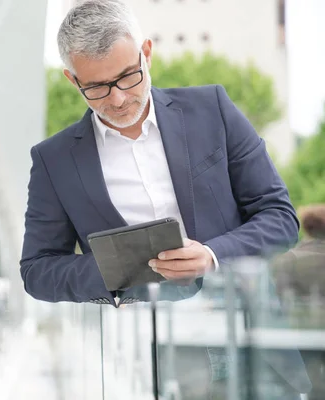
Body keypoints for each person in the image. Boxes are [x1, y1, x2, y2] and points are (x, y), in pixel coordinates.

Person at [20, 0, 299, 307]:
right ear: (73, 80)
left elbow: (280, 218)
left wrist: (212, 255)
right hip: (136, 340)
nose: (119, 98)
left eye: (128, 76)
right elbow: (38, 270)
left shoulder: (213, 109)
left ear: (147, 54)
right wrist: (122, 269)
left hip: (239, 323)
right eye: (97, 87)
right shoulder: (53, 161)